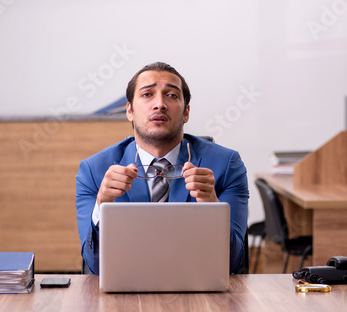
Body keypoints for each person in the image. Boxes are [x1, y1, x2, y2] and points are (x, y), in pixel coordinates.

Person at [75, 62, 249, 275]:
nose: (159, 104)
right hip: (126, 292)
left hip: (199, 291)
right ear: (129, 111)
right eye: (147, 94)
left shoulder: (226, 165)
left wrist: (212, 207)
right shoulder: (93, 170)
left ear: (186, 113)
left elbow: (233, 263)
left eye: (172, 96)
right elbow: (94, 267)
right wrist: (102, 204)